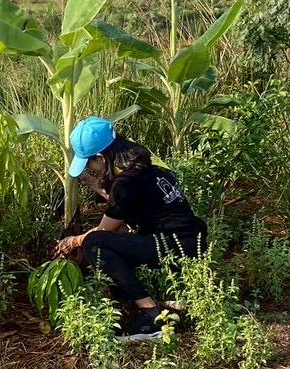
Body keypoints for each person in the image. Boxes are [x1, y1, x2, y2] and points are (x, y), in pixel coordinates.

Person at [53, 117, 208, 343]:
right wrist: (94, 184)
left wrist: (74, 240)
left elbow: (104, 232)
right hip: (190, 242)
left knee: (94, 244)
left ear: (100, 158)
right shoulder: (148, 168)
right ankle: (156, 296)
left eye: (90, 165)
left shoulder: (125, 182)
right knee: (110, 246)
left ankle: (152, 318)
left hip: (171, 245)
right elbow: (124, 212)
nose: (91, 170)